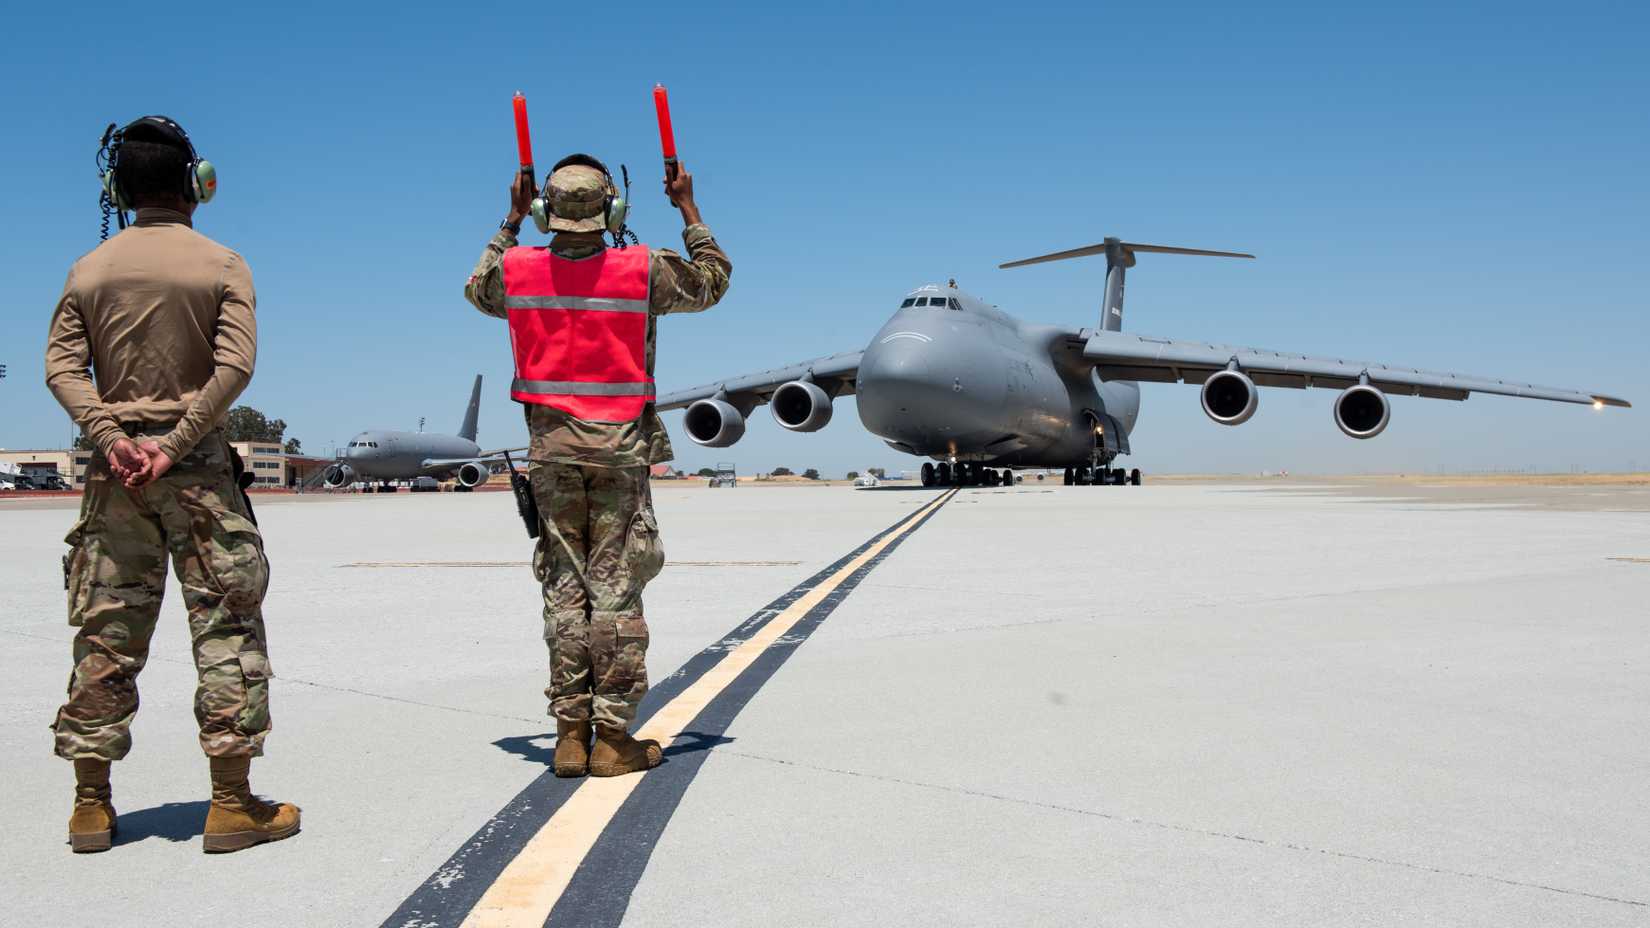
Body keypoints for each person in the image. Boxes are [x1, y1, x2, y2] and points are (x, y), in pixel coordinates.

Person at [45, 116, 298, 853]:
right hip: (199, 481)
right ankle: (230, 804)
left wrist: (114, 439)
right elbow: (234, 369)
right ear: (198, 185)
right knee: (226, 632)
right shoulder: (221, 263)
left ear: (115, 189)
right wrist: (175, 444)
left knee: (106, 633)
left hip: (113, 477)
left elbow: (61, 369)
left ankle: (90, 807)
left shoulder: (88, 270)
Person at [465, 154, 730, 777]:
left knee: (565, 589)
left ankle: (566, 737)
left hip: (552, 455)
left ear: (542, 210)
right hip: (619, 457)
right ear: (613, 210)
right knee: (616, 593)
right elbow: (714, 281)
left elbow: (479, 289)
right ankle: (611, 736)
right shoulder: (643, 269)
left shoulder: (518, 270)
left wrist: (508, 220)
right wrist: (687, 207)